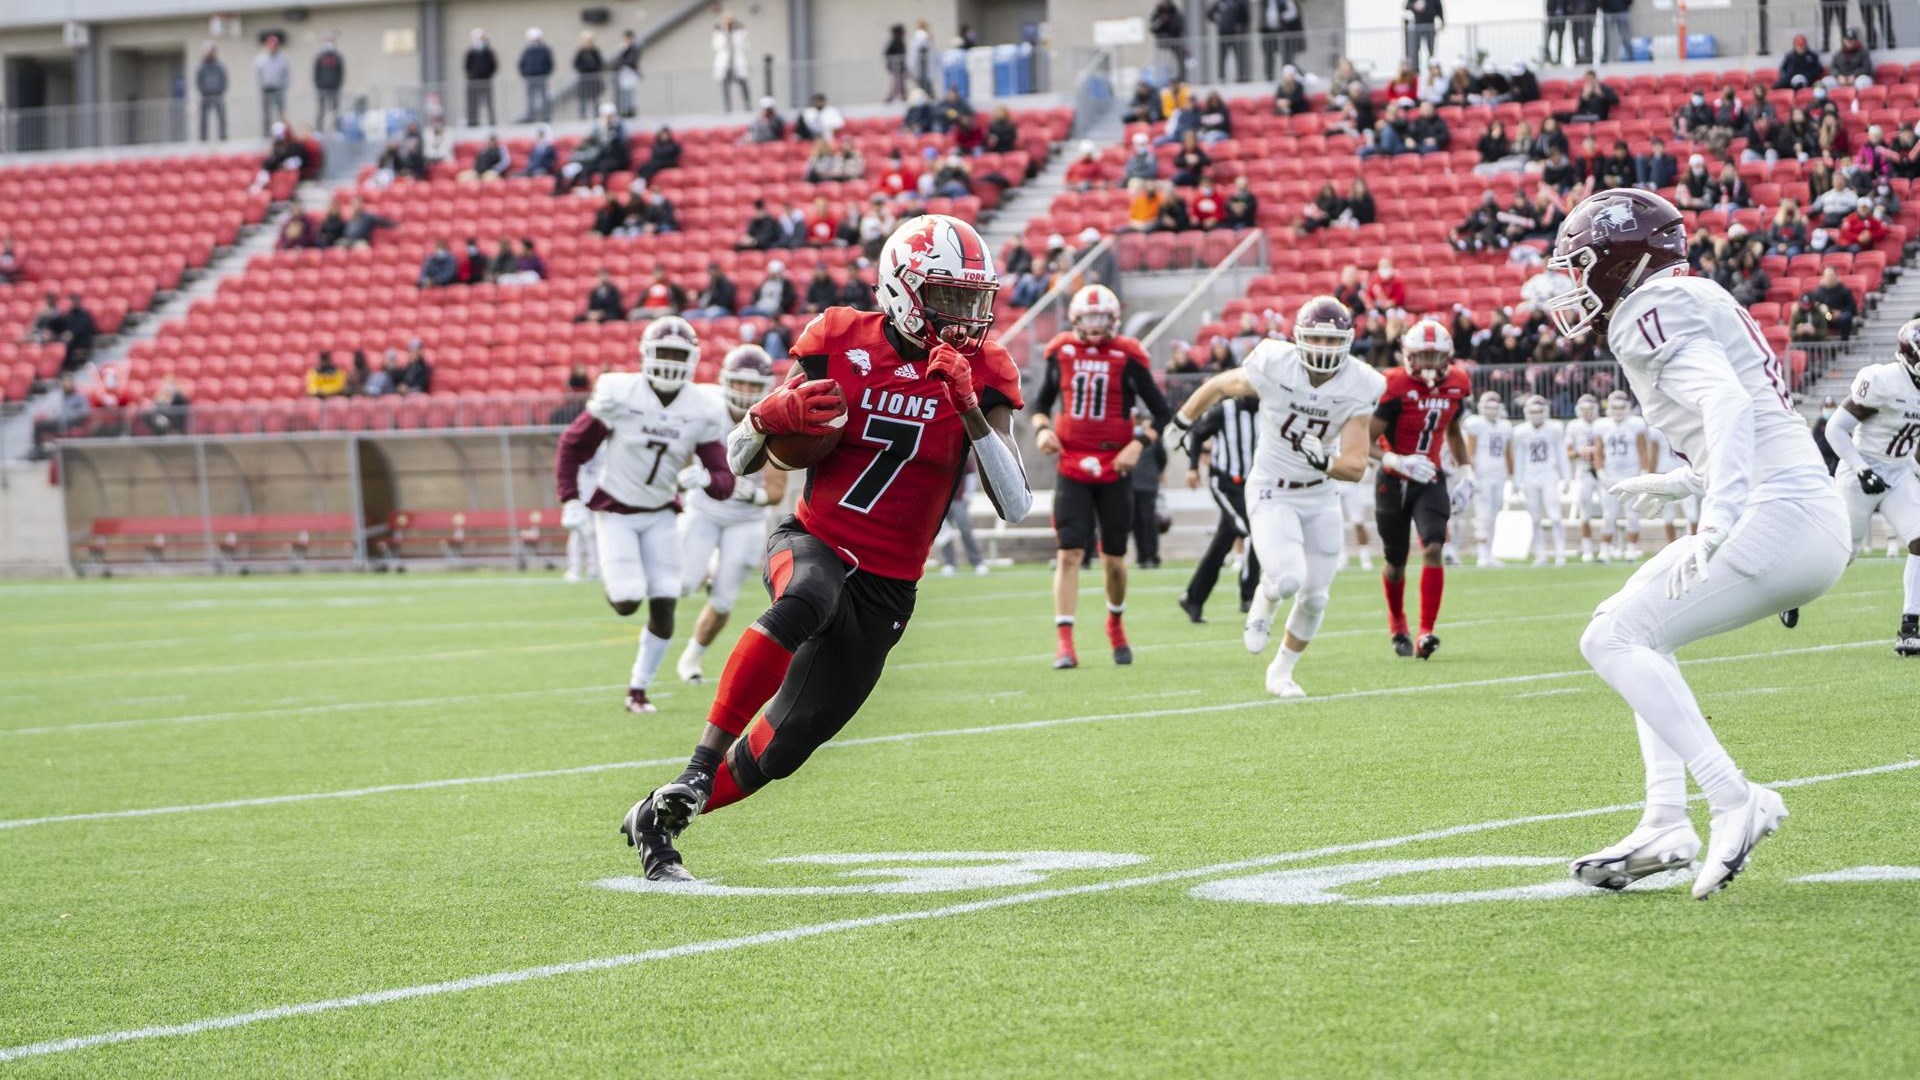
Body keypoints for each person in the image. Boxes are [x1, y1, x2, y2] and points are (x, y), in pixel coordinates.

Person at [616, 214, 1031, 882]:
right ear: (902, 288)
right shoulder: (840, 338)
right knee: (809, 594)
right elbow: (742, 456)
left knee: (785, 747)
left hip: (890, 586)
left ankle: (659, 814)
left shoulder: (983, 368)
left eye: (973, 299)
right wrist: (760, 420)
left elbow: (1015, 504)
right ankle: (698, 764)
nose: (966, 316)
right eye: (949, 298)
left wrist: (970, 410)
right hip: (814, 538)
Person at [1543, 188, 1849, 900]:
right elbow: (1748, 405)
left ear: (1623, 258)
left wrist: (1718, 513)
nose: (1576, 281)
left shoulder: (1649, 308)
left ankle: (1733, 797)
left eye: (1583, 263)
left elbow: (1728, 403)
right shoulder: (1691, 295)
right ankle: (1664, 821)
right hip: (1796, 504)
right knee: (1625, 624)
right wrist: (1688, 480)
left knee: (1613, 640)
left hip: (1779, 513)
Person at [1169, 297, 1387, 697]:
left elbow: (1356, 465)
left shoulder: (1362, 382)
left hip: (1321, 493)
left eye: (1331, 340)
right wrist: (1182, 420)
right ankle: (1264, 598)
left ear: (1347, 342)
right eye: (1316, 339)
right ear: (1300, 339)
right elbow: (1219, 385)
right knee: (1287, 579)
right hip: (1272, 487)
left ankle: (1281, 672)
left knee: (1316, 597)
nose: (1323, 348)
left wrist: (1324, 461)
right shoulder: (1275, 361)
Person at [555, 317, 736, 716]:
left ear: (692, 360)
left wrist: (705, 477)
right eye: (664, 352)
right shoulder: (621, 393)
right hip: (616, 511)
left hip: (660, 515)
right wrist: (570, 498)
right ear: (646, 354)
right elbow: (573, 444)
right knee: (626, 601)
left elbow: (725, 480)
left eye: (678, 354)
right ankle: (614, 582)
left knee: (666, 600)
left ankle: (638, 688)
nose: (670, 361)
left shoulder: (703, 406)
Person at [1029, 285, 1173, 669]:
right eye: (1088, 318)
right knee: (1070, 552)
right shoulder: (1060, 351)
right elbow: (1040, 403)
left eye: (1100, 318)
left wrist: (1138, 444)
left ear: (1113, 319)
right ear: (1075, 319)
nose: (1094, 326)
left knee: (1113, 558)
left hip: (1115, 466)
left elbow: (1162, 411)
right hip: (1072, 464)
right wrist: (1042, 428)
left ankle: (1115, 623)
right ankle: (1064, 642)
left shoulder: (1128, 355)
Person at [673, 346, 790, 681]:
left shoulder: (773, 417)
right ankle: (706, 568)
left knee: (724, 600)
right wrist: (681, 475)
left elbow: (776, 491)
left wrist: (744, 491)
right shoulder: (705, 407)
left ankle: (691, 660)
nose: (746, 392)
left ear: (766, 387)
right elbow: (676, 443)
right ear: (725, 380)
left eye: (754, 386)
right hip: (704, 509)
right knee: (683, 584)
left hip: (744, 519)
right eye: (739, 383)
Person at [1369, 319, 1472, 659]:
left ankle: (1426, 631)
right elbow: (1365, 441)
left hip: (1430, 477)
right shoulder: (1393, 384)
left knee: (1432, 547)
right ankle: (1398, 623)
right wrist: (1396, 461)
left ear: (1448, 358)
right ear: (1408, 356)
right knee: (1395, 560)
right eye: (1422, 357)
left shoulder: (1458, 382)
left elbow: (1453, 431)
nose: (1429, 365)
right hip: (1394, 480)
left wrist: (1466, 471)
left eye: (1435, 357)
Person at [1824, 318, 1920, 654]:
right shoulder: (1883, 380)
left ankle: (1910, 627)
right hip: (1859, 470)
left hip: (1898, 473)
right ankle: (1793, 593)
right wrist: (1861, 468)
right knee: (1843, 554)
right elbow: (1835, 429)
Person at [1175, 391, 1262, 622]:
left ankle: (1193, 598)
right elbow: (1196, 433)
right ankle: (1249, 596)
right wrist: (1192, 467)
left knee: (1222, 544)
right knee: (1255, 530)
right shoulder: (1224, 410)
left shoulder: (1270, 408)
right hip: (1225, 482)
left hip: (1252, 486)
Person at [1510, 396, 1570, 564]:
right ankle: (1540, 554)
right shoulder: (1520, 431)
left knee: (1555, 516)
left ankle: (1560, 552)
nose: (1536, 415)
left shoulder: (1554, 428)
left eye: (1539, 411)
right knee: (1534, 518)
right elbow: (1519, 458)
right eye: (1532, 412)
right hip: (1530, 476)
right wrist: (1516, 481)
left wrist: (1566, 477)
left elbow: (1561, 454)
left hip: (1549, 475)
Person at [1593, 390, 1650, 560]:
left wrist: (1644, 472)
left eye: (1621, 407)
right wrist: (1600, 471)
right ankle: (1605, 550)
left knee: (1632, 514)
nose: (1618, 411)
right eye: (1614, 407)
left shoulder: (1636, 424)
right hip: (1610, 476)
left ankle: (1631, 549)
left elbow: (1642, 449)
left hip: (1631, 475)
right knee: (1609, 515)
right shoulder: (1601, 425)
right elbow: (1598, 451)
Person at [1462, 392, 1515, 566]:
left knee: (1494, 514)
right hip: (1482, 475)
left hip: (1499, 475)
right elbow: (1470, 451)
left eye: (1494, 407)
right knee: (1483, 515)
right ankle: (1482, 555)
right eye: (1488, 407)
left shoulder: (1505, 426)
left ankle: (1489, 553)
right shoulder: (1475, 424)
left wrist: (1512, 476)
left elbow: (1508, 452)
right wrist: (1470, 475)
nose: (1492, 411)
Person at [713, 14, 751, 113]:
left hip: (737, 62)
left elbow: (745, 45)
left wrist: (737, 32)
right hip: (725, 64)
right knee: (725, 87)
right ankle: (727, 108)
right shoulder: (719, 32)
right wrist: (726, 33)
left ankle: (747, 105)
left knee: (744, 84)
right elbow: (717, 46)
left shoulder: (739, 32)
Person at [1208, 0, 1251, 82]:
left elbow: (1246, 18)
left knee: (1239, 56)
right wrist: (1218, 22)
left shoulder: (1238, 3)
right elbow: (1209, 13)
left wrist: (1240, 27)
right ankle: (1222, 77)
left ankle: (1241, 77)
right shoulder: (1220, 3)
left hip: (1236, 35)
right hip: (1223, 35)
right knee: (1222, 57)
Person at [254, 34, 289, 136]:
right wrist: (260, 86)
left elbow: (287, 74)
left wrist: (284, 86)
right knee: (266, 113)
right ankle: (266, 133)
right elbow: (258, 74)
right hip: (266, 88)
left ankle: (283, 134)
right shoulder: (260, 59)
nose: (273, 48)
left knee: (281, 112)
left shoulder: (283, 58)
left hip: (278, 88)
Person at [464, 30, 498, 127]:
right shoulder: (471, 52)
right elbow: (467, 66)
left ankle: (491, 120)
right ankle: (473, 121)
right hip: (474, 81)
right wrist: (472, 76)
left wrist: (488, 75)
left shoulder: (488, 52)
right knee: (473, 102)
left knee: (488, 102)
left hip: (486, 80)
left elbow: (493, 65)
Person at [520, 28, 554, 123]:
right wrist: (525, 73)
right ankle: (530, 117)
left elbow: (550, 63)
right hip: (530, 77)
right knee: (530, 98)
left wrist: (545, 72)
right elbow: (521, 63)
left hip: (542, 76)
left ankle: (546, 116)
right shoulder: (527, 50)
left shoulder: (544, 49)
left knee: (544, 97)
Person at [196, 44, 228, 142]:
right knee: (203, 119)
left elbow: (224, 80)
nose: (209, 54)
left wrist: (220, 91)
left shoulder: (220, 66)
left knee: (221, 117)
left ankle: (222, 136)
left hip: (218, 95)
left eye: (211, 52)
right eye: (207, 52)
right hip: (205, 96)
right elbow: (198, 81)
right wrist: (203, 91)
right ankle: (203, 138)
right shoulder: (200, 67)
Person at [1150, 0, 1189, 82]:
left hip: (1174, 41)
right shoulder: (1157, 13)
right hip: (1162, 42)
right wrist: (1162, 20)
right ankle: (1163, 79)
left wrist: (1169, 21)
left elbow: (1179, 27)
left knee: (1181, 58)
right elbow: (1153, 28)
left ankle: (1181, 78)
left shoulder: (1175, 13)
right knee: (1163, 62)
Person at [313, 35, 344, 131]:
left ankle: (337, 129)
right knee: (321, 110)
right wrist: (318, 85)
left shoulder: (337, 58)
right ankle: (319, 129)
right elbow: (315, 73)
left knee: (335, 110)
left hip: (334, 87)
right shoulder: (320, 58)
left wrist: (337, 84)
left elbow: (341, 73)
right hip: (322, 87)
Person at [573, 31, 606, 119]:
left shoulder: (595, 52)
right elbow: (576, 64)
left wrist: (593, 68)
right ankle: (582, 115)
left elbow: (600, 64)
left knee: (595, 99)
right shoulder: (580, 52)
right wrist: (585, 69)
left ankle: (596, 114)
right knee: (583, 99)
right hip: (584, 80)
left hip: (594, 79)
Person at [612, 30, 642, 117]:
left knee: (630, 93)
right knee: (624, 93)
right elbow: (618, 60)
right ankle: (624, 110)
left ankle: (631, 110)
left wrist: (623, 62)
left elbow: (631, 61)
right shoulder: (622, 48)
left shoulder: (634, 48)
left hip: (630, 73)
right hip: (622, 74)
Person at [884, 24, 910, 103]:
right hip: (895, 67)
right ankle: (890, 98)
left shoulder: (898, 40)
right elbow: (887, 52)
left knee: (900, 83)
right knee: (896, 83)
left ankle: (903, 97)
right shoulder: (896, 41)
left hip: (899, 67)